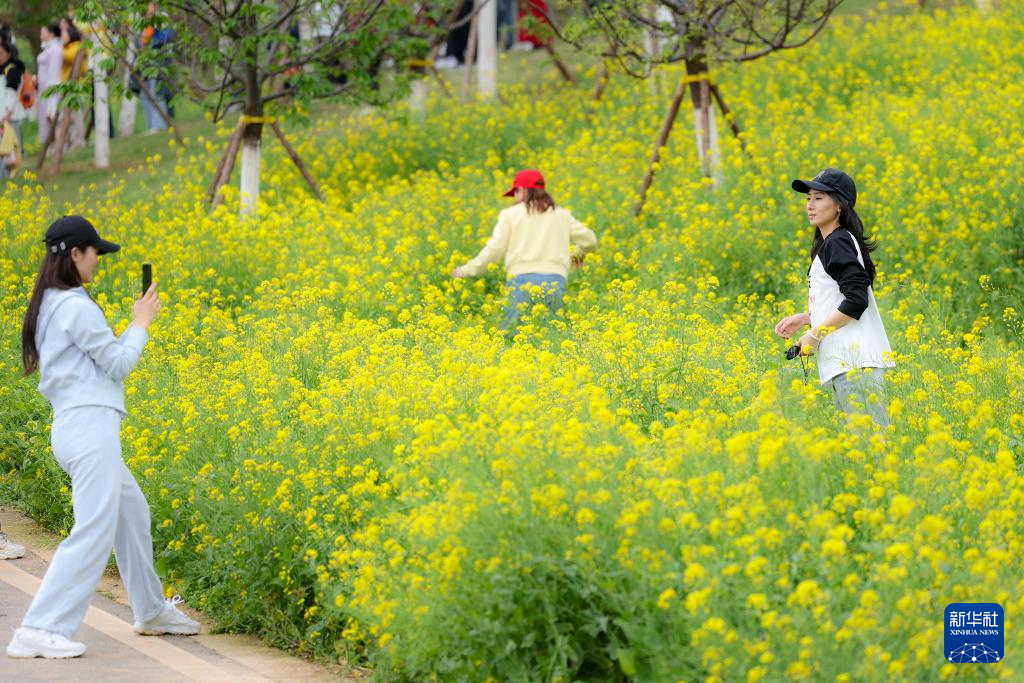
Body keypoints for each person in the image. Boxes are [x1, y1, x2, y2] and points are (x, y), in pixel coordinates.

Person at [7, 216, 200, 660]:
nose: (99, 261)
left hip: (76, 426)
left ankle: (151, 610)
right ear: (76, 253)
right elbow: (117, 364)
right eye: (96, 252)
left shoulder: (51, 303)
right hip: (90, 428)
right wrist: (141, 322)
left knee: (131, 513)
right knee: (93, 529)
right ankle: (38, 627)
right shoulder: (74, 305)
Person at [774, 168, 895, 427]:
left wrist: (815, 334)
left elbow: (856, 299)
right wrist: (807, 318)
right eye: (808, 198)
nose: (810, 205)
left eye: (819, 198)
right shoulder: (833, 243)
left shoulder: (838, 242)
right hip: (849, 366)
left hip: (855, 365)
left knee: (868, 449)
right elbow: (844, 297)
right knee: (859, 452)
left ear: (839, 205)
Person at [453, 169, 597, 335]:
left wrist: (467, 270)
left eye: (515, 192)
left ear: (522, 190)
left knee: (513, 336)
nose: (514, 198)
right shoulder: (562, 215)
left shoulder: (510, 215)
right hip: (555, 280)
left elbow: (494, 249)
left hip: (521, 280)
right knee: (552, 336)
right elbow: (590, 241)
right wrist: (575, 256)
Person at [0, 39, 27, 178]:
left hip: (11, 116)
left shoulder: (13, 69)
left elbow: (12, 92)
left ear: (9, 53)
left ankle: (11, 176)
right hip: (3, 116)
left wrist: (8, 112)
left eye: (1, 53)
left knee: (11, 149)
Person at [60, 19, 88, 151]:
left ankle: (79, 140)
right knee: (69, 116)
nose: (62, 38)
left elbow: (68, 56)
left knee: (76, 115)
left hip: (76, 86)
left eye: (64, 35)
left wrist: (57, 46)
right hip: (68, 86)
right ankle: (72, 140)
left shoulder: (76, 46)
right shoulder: (67, 47)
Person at [36, 24, 64, 145]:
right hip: (43, 88)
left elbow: (54, 72)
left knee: (51, 115)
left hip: (50, 88)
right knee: (45, 116)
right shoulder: (48, 48)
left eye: (43, 32)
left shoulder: (55, 49)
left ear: (51, 33)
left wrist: (52, 91)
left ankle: (57, 142)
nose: (41, 35)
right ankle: (49, 143)